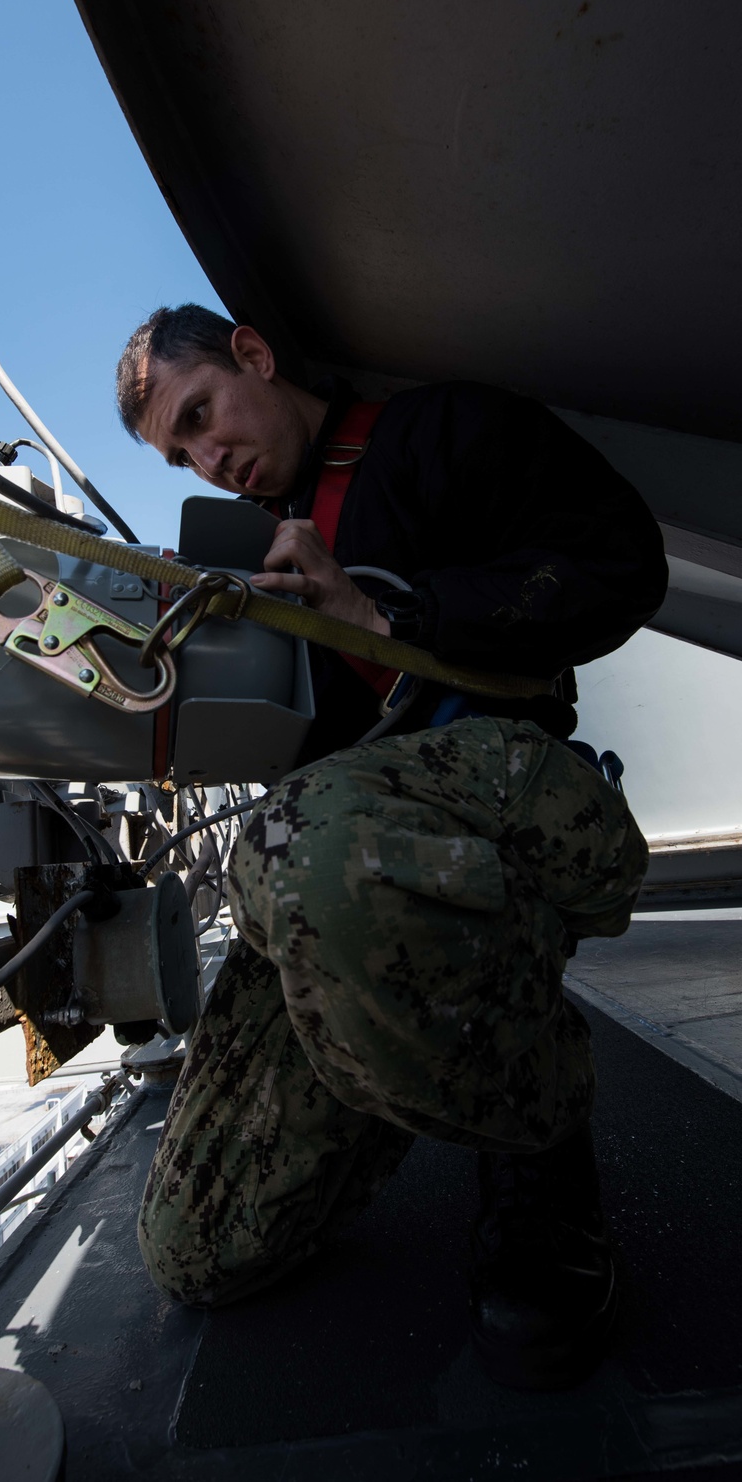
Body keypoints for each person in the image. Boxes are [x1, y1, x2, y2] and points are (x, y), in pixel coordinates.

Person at [115, 304, 668, 1389]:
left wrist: (387, 610)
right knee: (196, 1247)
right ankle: (407, 1050)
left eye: (202, 415)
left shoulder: (440, 434)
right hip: (332, 841)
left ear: (255, 356)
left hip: (511, 783)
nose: (209, 458)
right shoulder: (260, 563)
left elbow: (619, 562)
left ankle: (533, 1137)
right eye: (181, 454)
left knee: (298, 846)